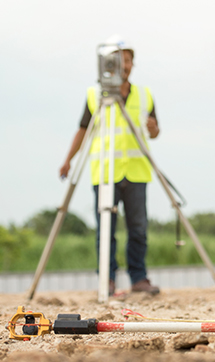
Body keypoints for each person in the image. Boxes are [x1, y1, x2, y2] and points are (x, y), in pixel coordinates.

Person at [59, 35, 160, 296]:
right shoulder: (95, 95)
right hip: (105, 172)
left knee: (138, 229)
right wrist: (68, 159)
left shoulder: (145, 94)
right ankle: (108, 278)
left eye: (127, 60)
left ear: (132, 64)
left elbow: (154, 130)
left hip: (137, 171)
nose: (123, 65)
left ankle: (139, 278)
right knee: (106, 229)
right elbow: (83, 129)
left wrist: (154, 129)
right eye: (118, 60)